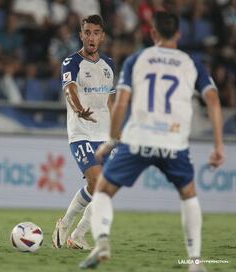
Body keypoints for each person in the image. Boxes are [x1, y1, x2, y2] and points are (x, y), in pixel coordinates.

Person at [79, 11, 225, 271]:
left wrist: (111, 140)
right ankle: (195, 261)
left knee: (103, 191)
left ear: (153, 33)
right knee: (189, 196)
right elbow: (213, 100)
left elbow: (121, 103)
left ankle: (101, 241)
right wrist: (218, 145)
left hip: (138, 139)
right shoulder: (191, 63)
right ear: (178, 34)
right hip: (174, 141)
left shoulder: (137, 59)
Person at [52, 15, 116, 250]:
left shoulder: (109, 64)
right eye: (87, 32)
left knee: (103, 190)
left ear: (102, 36)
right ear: (81, 35)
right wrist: (79, 110)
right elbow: (69, 90)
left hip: (105, 134)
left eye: (96, 32)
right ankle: (66, 224)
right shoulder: (71, 62)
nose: (91, 37)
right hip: (81, 132)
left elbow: (111, 101)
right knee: (97, 182)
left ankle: (76, 235)